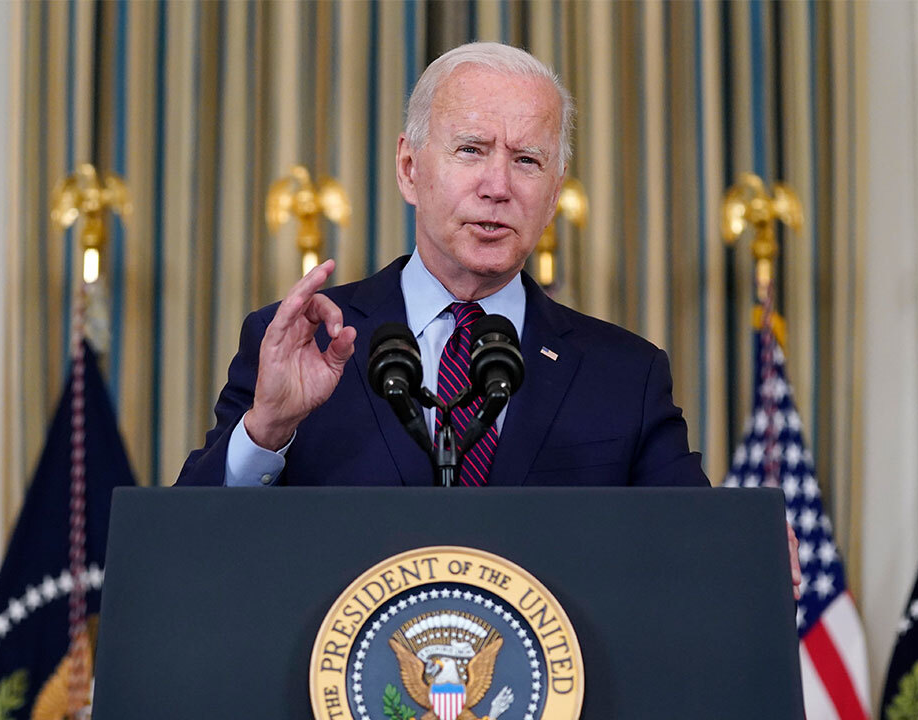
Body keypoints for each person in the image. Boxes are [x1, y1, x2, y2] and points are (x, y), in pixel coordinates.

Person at [177, 42, 707, 491]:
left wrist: (742, 543)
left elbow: (691, 543)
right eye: (471, 150)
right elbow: (186, 546)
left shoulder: (625, 374)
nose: (497, 187)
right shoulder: (303, 342)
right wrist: (267, 430)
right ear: (409, 170)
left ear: (554, 195)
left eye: (527, 160)